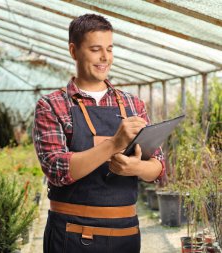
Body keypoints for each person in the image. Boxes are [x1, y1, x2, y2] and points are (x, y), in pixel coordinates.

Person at [32, 14, 165, 253]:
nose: (105, 58)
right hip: (71, 234)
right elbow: (57, 170)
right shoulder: (52, 105)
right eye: (95, 49)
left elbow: (158, 166)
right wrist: (115, 143)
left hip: (126, 235)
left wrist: (136, 169)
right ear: (74, 51)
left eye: (110, 49)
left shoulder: (133, 105)